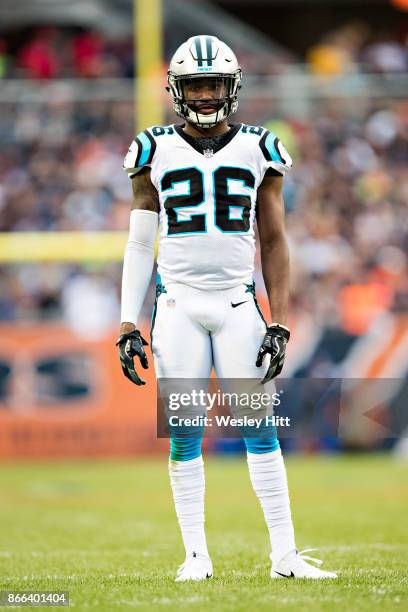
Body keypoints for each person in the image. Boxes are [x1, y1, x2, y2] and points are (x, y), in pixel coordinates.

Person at [117, 35, 337, 581]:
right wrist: (127, 320)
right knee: (187, 433)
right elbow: (140, 243)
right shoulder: (153, 148)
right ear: (177, 90)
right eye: (197, 85)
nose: (207, 95)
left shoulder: (260, 146)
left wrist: (279, 318)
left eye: (215, 84)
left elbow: (275, 240)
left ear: (232, 87)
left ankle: (284, 555)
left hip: (239, 303)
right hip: (179, 306)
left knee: (259, 429)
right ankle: (196, 556)